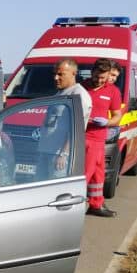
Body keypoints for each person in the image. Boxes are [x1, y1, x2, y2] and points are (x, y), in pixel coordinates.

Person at [38, 59, 92, 180]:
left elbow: (76, 128)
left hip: (60, 155)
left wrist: (64, 154)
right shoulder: (60, 93)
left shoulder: (78, 95)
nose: (55, 78)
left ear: (74, 73)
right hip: (47, 151)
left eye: (61, 74)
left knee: (55, 192)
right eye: (55, 74)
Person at [82, 58, 122, 217]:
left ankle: (96, 204)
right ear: (92, 72)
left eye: (103, 78)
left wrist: (107, 122)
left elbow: (117, 116)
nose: (99, 80)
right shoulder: (82, 88)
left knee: (98, 174)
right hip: (85, 137)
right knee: (85, 173)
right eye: (97, 76)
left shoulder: (113, 91)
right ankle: (72, 206)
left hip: (100, 138)